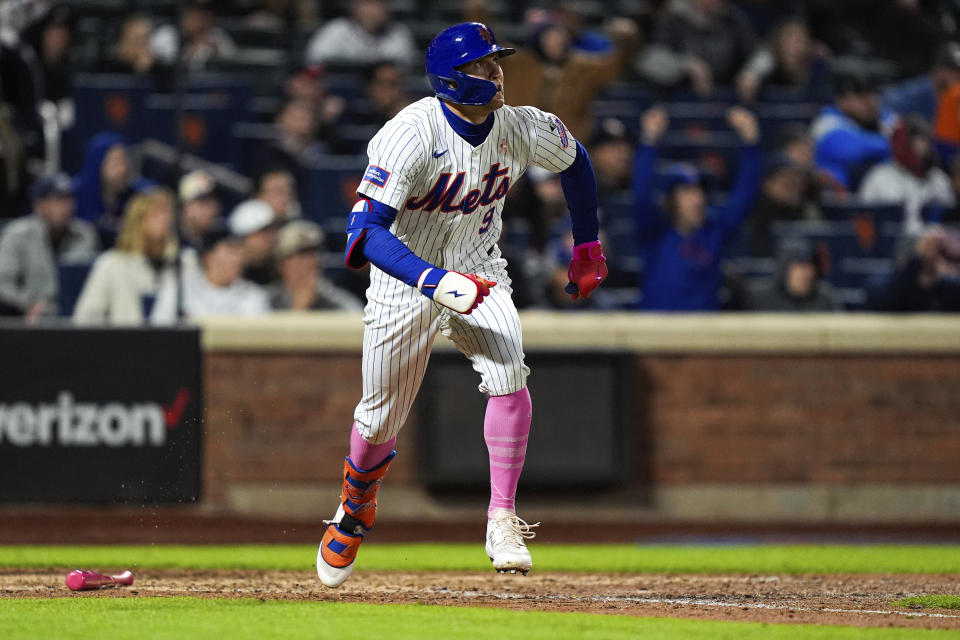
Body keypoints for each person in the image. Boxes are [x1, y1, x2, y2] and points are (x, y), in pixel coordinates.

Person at [316, 22, 607, 588]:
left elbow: (576, 162)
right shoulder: (410, 132)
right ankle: (355, 505)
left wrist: (587, 241)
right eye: (481, 65)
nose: (495, 72)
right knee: (378, 420)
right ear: (451, 79)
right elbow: (364, 234)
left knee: (509, 366)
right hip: (405, 276)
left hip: (479, 267)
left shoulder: (518, 126)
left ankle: (502, 517)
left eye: (495, 62)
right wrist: (430, 280)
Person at [633, 106, 761, 311]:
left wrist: (750, 143)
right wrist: (649, 141)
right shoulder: (655, 233)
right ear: (671, 199)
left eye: (700, 191)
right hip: (656, 337)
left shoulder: (714, 232)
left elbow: (744, 196)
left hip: (702, 339)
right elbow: (641, 195)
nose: (698, 199)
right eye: (688, 191)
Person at [500, 14, 638, 141]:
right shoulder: (518, 63)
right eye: (551, 36)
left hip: (566, 145)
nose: (557, 41)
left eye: (561, 36)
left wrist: (627, 40)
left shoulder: (581, 66)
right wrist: (478, 10)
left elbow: (614, 65)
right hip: (518, 141)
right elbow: (485, 47)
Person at [0, 172, 98, 319]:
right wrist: (28, 303)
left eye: (69, 199)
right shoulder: (17, 234)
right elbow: (3, 283)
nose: (66, 206)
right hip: (26, 318)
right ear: (39, 205)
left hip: (74, 316)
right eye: (58, 200)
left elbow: (94, 279)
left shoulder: (85, 234)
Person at [73, 187, 177, 324]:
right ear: (139, 219)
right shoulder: (111, 265)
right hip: (122, 342)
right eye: (156, 213)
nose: (165, 219)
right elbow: (85, 320)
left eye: (167, 212)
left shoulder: (180, 265)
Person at [151, 223, 269, 323]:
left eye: (240, 253)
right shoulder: (179, 290)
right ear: (208, 256)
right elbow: (159, 332)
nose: (238, 259)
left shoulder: (254, 296)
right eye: (231, 252)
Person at [859, 115, 955, 236]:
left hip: (933, 247)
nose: (923, 146)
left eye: (926, 140)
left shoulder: (939, 179)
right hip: (890, 245)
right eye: (917, 139)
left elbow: (950, 223)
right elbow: (864, 223)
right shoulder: (879, 178)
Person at [637, 0, 756, 97]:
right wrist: (687, 65)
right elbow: (650, 59)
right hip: (679, 99)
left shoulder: (733, 19)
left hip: (726, 97)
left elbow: (756, 54)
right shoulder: (675, 20)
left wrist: (752, 73)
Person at [810, 71, 896, 191]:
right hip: (841, 198)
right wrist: (893, 145)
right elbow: (853, 151)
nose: (869, 101)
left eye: (871, 93)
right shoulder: (826, 122)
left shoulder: (886, 117)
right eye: (860, 95)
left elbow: (912, 145)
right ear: (841, 101)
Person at [71, 131, 153, 245]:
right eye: (116, 162)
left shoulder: (135, 196)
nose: (123, 169)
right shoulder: (74, 197)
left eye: (126, 161)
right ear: (97, 164)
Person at [268, 221, 363, 311]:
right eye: (303, 253)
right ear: (281, 263)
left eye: (316, 251)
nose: (313, 260)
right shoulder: (266, 300)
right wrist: (299, 308)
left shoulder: (338, 302)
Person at [736, 17, 830, 103]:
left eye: (800, 41)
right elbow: (747, 83)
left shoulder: (816, 69)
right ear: (778, 44)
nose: (795, 48)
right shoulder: (768, 70)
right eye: (789, 41)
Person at [304, 0, 416, 69]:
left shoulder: (398, 34)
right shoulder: (336, 30)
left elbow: (403, 71)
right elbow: (314, 62)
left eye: (378, 5)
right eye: (367, 3)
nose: (372, 11)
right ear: (355, 7)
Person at [747, 152, 816, 257]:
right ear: (767, 184)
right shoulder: (752, 215)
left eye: (797, 182)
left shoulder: (805, 212)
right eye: (787, 183)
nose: (794, 187)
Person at [748, 239, 840, 312]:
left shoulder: (825, 299)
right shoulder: (759, 297)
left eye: (808, 267)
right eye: (798, 267)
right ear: (785, 271)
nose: (805, 274)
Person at [150, 0, 236, 73]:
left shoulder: (217, 36)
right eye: (192, 14)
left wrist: (216, 51)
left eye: (201, 15)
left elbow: (232, 60)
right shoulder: (170, 35)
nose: (195, 20)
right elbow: (163, 64)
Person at [228, 198, 278, 286]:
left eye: (272, 231)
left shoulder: (278, 269)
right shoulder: (230, 275)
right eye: (263, 233)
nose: (271, 238)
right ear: (244, 238)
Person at [178, 169, 221, 251]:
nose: (213, 209)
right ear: (187, 205)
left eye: (214, 202)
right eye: (204, 203)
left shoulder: (211, 245)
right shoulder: (168, 239)